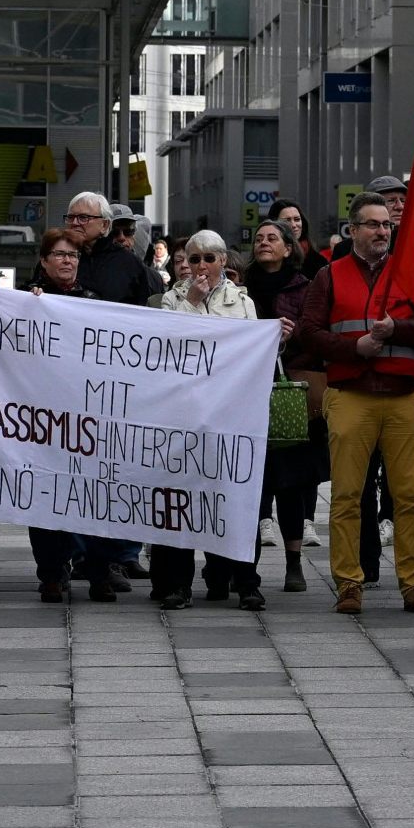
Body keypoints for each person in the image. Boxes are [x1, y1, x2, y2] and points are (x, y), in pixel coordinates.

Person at [296, 193, 414, 615]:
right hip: (350, 396)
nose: (382, 231)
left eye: (386, 225)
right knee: (347, 496)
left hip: (402, 397)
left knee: (410, 496)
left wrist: (396, 330)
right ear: (352, 230)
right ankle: (348, 583)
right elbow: (308, 332)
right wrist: (353, 347)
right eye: (373, 225)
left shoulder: (410, 272)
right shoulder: (329, 276)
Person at [151, 230, 263, 612]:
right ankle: (177, 585)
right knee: (180, 501)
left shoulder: (241, 301)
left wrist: (275, 339)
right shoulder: (171, 298)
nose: (200, 266)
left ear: (222, 262)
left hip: (229, 414)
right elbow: (168, 346)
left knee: (234, 499)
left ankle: (243, 581)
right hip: (184, 414)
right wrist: (193, 304)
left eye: (208, 259)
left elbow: (250, 352)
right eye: (194, 259)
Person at [23, 230, 103, 602]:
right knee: (44, 495)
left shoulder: (93, 301)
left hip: (83, 416)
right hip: (41, 418)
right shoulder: (27, 301)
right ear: (43, 261)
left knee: (86, 494)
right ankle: (51, 573)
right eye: (59, 254)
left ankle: (95, 569)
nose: (67, 260)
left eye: (73, 255)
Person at [242, 217, 320, 592]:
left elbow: (315, 333)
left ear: (289, 248)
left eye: (272, 238)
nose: (264, 243)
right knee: (252, 481)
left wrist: (291, 336)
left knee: (290, 481)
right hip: (245, 393)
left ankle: (294, 562)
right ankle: (246, 565)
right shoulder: (239, 286)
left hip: (288, 394)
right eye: (259, 238)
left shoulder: (305, 288)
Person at [67, 191, 150, 305]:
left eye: (83, 217)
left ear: (104, 225)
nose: (75, 223)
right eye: (71, 217)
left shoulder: (130, 264)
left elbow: (142, 312)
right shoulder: (55, 256)